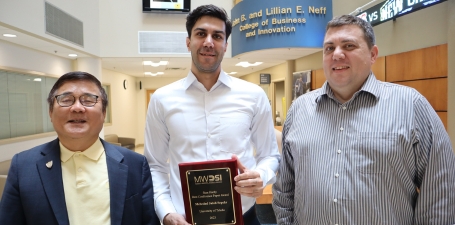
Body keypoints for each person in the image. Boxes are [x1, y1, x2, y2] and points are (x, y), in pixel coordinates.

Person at [272, 15, 455, 225]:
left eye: (348, 46)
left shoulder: (411, 106)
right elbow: (284, 190)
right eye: (329, 48)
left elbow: (441, 192)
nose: (337, 54)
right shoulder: (299, 110)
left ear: (373, 54)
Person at [144, 4, 280, 225]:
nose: (209, 42)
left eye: (217, 36)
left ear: (225, 45)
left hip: (243, 217)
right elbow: (155, 165)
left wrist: (261, 176)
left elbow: (270, 156)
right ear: (188, 42)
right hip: (185, 220)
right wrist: (166, 212)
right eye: (201, 34)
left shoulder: (253, 95)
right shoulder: (162, 99)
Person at [0, 71, 159, 225]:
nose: (77, 108)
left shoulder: (135, 164)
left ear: (104, 113)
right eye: (66, 99)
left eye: (89, 100)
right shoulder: (23, 166)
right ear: (50, 112)